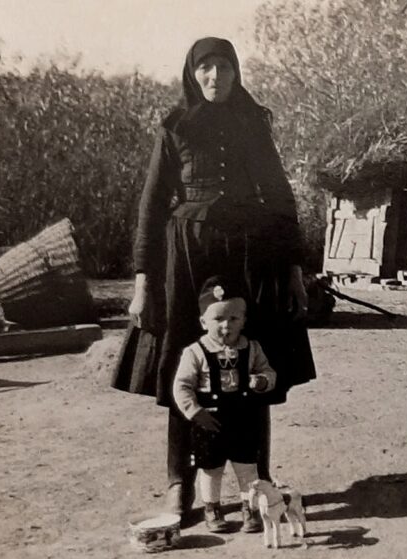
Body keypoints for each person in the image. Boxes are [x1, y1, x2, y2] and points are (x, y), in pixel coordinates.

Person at [112, 37, 316, 517]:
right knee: (183, 364)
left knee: (253, 359)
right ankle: (179, 483)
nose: (215, 77)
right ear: (192, 73)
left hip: (251, 256)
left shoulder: (253, 124)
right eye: (205, 67)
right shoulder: (174, 127)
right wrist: (143, 283)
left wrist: (293, 270)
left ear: (235, 72)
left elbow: (279, 196)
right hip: (187, 258)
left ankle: (258, 480)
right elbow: (151, 207)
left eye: (223, 67)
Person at [173, 276, 276, 533]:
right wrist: (195, 412)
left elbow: (268, 371)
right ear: (203, 322)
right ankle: (212, 508)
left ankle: (250, 508)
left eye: (233, 318)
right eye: (218, 319)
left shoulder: (252, 348)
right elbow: (182, 386)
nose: (226, 325)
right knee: (211, 469)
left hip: (243, 418)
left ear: (244, 321)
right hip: (210, 420)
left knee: (247, 467)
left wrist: (262, 381)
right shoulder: (195, 352)